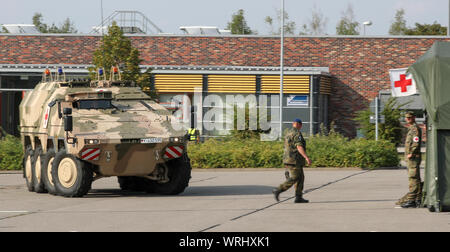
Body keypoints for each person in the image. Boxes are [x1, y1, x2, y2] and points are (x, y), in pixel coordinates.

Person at [273, 118, 312, 203]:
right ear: (299, 124)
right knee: (294, 177)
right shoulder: (297, 133)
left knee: (301, 178)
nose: (301, 126)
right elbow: (299, 147)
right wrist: (306, 157)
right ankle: (278, 190)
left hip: (289, 159)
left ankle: (298, 197)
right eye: (301, 125)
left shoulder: (288, 133)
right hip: (294, 160)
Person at [400, 111, 423, 208]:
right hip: (411, 158)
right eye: (406, 118)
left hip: (413, 158)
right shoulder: (411, 128)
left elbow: (415, 143)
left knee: (413, 178)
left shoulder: (415, 129)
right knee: (414, 178)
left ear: (414, 118)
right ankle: (417, 198)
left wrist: (411, 153)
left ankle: (412, 199)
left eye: (409, 118)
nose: (408, 119)